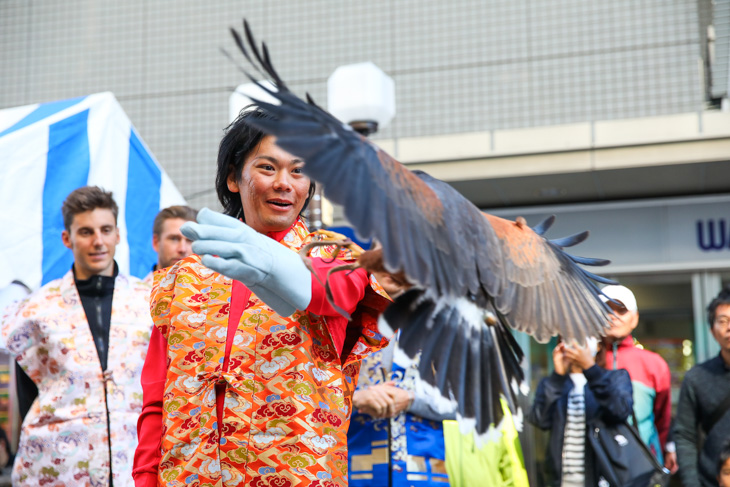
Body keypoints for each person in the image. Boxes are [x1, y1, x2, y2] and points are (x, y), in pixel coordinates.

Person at [132, 107, 391, 487]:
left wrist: (275, 266)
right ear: (234, 178)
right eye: (267, 167)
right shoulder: (182, 279)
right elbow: (156, 400)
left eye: (298, 170)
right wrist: (145, 479)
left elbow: (326, 293)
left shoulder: (338, 257)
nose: (284, 182)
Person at [1, 186, 153, 486]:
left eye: (105, 230)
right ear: (67, 239)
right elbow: (27, 391)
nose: (98, 241)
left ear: (118, 235)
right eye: (86, 232)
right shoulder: (37, 309)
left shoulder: (148, 301)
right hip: (59, 469)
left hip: (132, 465)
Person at [347, 273, 456, 486]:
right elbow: (313, 391)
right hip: (355, 468)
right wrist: (357, 398)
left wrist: (411, 399)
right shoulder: (345, 321)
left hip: (423, 470)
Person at [528, 337, 633, 486]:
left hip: (602, 479)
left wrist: (591, 368)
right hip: (561, 481)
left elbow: (619, 411)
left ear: (598, 345)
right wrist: (557, 376)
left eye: (585, 335)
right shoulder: (552, 383)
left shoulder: (616, 378)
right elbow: (540, 420)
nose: (577, 342)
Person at [600, 284, 677, 473]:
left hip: (643, 466)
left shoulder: (653, 363)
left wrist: (656, 455)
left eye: (621, 310)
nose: (614, 316)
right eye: (607, 309)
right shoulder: (584, 359)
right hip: (598, 463)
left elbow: (662, 419)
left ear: (635, 319)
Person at [674, 287, 730, 487]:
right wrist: (692, 483)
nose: (728, 327)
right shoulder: (696, 378)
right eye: (722, 321)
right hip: (712, 480)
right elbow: (684, 435)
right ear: (712, 330)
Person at [143, 205, 198, 284]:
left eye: (190, 240)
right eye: (174, 239)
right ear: (156, 242)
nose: (182, 249)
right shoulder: (134, 295)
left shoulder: (212, 293)